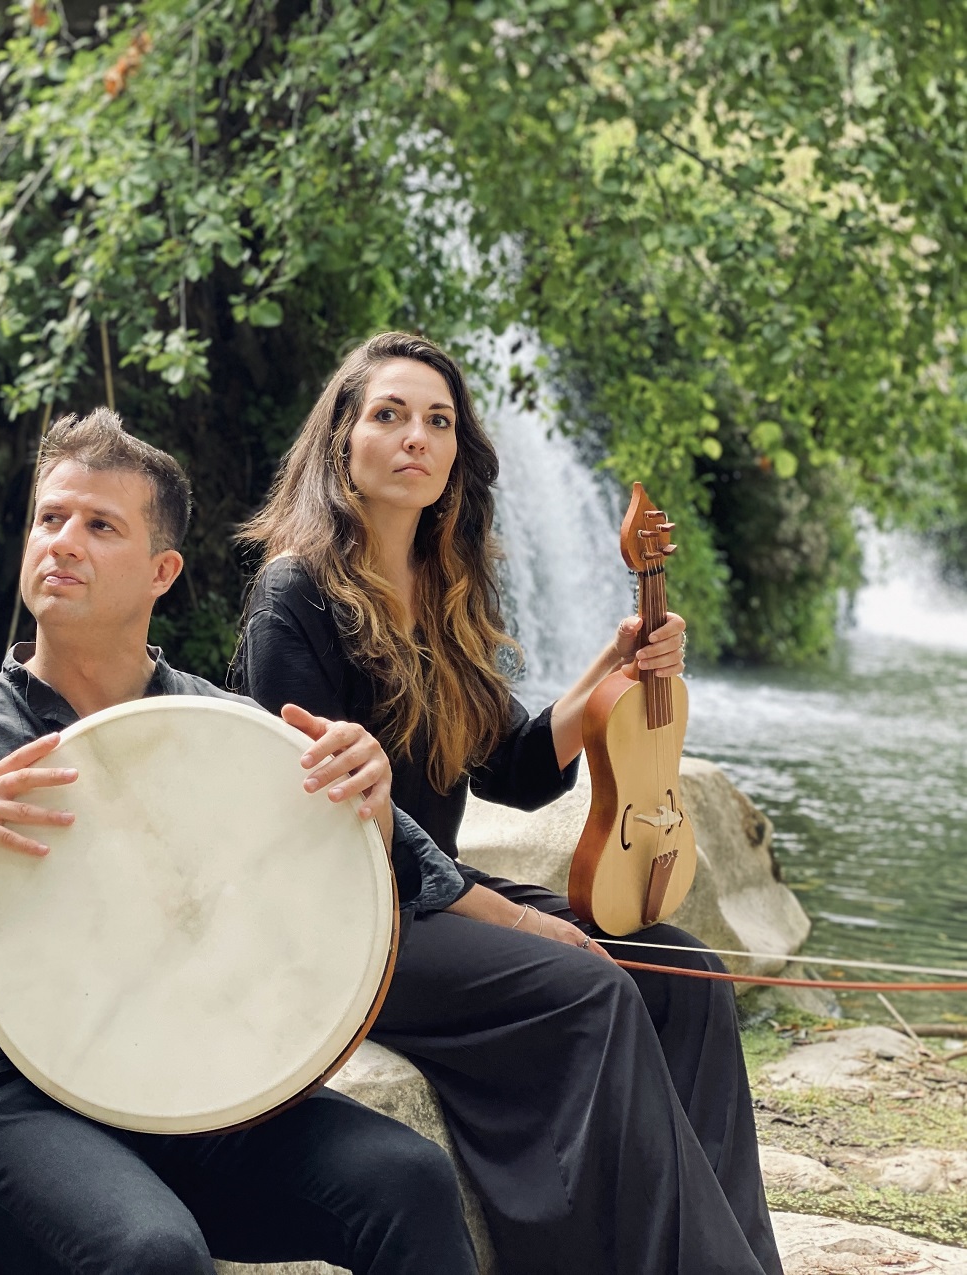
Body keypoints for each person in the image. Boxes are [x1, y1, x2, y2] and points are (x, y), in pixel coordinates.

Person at [0, 408, 479, 1275]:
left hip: (193, 1082)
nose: (63, 542)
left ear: (162, 572)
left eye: (100, 525)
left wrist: (366, 795)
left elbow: (356, 895)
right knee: (154, 1252)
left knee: (408, 1178)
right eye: (50, 518)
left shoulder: (227, 730)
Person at [231, 331, 780, 1275]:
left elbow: (514, 767)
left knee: (684, 973)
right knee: (593, 985)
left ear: (457, 454)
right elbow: (321, 811)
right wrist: (507, 916)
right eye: (389, 415)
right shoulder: (296, 592)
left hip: (431, 902)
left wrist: (611, 671)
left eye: (438, 421)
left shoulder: (442, 591)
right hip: (342, 918)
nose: (417, 436)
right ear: (341, 442)